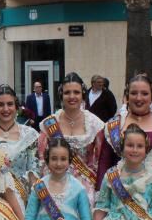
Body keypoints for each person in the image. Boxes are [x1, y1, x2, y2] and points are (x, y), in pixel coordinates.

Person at [97, 74, 152, 187]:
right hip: (121, 192)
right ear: (127, 96)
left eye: (144, 93)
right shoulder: (114, 125)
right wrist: (100, 192)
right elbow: (104, 163)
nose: (138, 98)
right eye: (133, 93)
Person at [37, 73, 104, 207]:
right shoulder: (50, 123)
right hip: (54, 178)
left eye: (76, 92)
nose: (72, 96)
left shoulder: (94, 124)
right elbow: (42, 159)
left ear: (82, 94)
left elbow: (100, 160)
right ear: (61, 95)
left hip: (85, 182)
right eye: (67, 92)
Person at [0, 86, 40, 213]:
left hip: (20, 197)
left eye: (10, 104)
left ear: (16, 106)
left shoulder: (29, 134)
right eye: (0, 105)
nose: (6, 109)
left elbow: (34, 170)